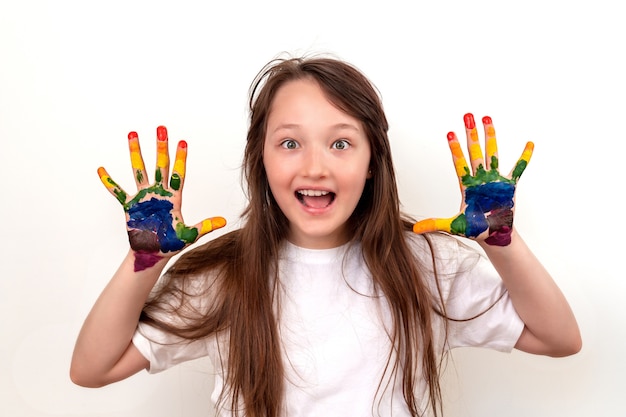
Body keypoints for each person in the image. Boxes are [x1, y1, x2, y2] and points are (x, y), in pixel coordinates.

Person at [70, 56, 582, 417]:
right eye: (289, 142)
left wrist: (502, 242)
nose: (314, 166)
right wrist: (144, 260)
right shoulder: (222, 275)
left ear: (372, 162)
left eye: (341, 143)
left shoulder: (425, 263)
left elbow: (559, 339)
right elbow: (92, 370)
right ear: (261, 159)